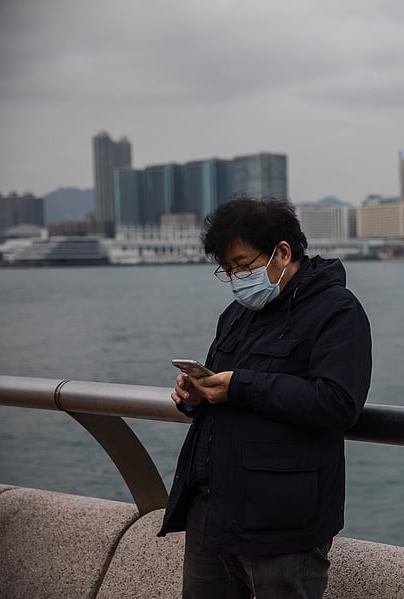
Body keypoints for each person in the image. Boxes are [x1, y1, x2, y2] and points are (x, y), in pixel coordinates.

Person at [158, 195, 372, 599]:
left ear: (283, 252)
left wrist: (240, 386)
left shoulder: (337, 311)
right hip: (212, 507)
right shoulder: (237, 314)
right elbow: (222, 389)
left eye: (243, 265)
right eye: (228, 270)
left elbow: (339, 402)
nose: (237, 278)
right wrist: (195, 396)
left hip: (282, 521)